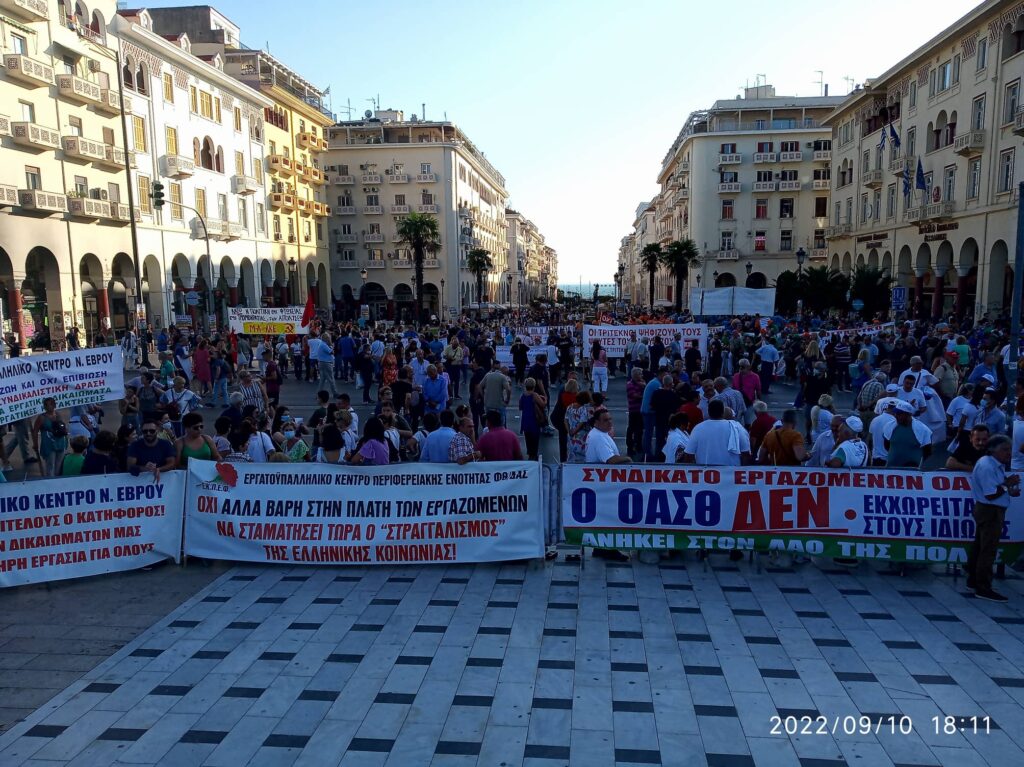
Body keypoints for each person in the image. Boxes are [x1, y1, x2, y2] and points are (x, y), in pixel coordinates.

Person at [967, 435, 1021, 602]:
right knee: (987, 550)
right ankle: (983, 587)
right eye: (1005, 449)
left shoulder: (994, 465)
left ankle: (974, 580)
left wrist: (1007, 487)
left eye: (1009, 450)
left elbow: (996, 487)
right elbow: (990, 494)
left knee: (980, 546)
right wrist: (1007, 484)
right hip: (989, 510)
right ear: (993, 450)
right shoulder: (987, 466)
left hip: (990, 509)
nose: (1008, 453)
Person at [683, 399, 751, 466]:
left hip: (706, 474)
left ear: (708, 412)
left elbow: (689, 454)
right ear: (723, 412)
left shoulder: (698, 428)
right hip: (731, 474)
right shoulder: (736, 427)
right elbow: (745, 452)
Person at [883, 400, 932, 468]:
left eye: (899, 413)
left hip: (912, 471)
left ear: (908, 414)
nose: (896, 416)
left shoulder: (923, 430)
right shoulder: (889, 426)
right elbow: (886, 445)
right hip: (891, 469)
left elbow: (927, 451)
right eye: (895, 413)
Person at [33, 397, 67, 477]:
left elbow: (63, 427)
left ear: (54, 405)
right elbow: (35, 431)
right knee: (50, 464)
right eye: (47, 405)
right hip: (49, 444)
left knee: (59, 465)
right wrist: (35, 444)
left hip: (60, 442)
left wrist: (66, 439)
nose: (49, 407)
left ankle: (58, 483)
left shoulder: (58, 414)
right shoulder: (41, 417)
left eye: (51, 404)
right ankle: (50, 483)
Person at [519, 377, 546, 461]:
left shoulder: (523, 395)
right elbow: (542, 405)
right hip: (534, 419)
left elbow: (520, 407)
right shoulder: (534, 395)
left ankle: (530, 453)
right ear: (534, 386)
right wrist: (545, 399)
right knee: (535, 439)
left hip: (526, 419)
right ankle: (534, 455)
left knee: (528, 438)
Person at [566, 390, 594, 463]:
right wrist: (575, 431)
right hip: (580, 435)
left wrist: (569, 431)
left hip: (571, 433)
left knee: (571, 452)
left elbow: (565, 420)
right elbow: (581, 423)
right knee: (581, 454)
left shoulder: (569, 407)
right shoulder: (584, 410)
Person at [625, 367, 645, 459]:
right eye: (640, 374)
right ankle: (630, 447)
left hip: (640, 410)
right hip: (633, 410)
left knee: (640, 429)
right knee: (631, 429)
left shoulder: (642, 383)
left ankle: (639, 446)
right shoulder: (629, 384)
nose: (642, 375)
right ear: (636, 375)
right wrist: (644, 396)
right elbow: (634, 395)